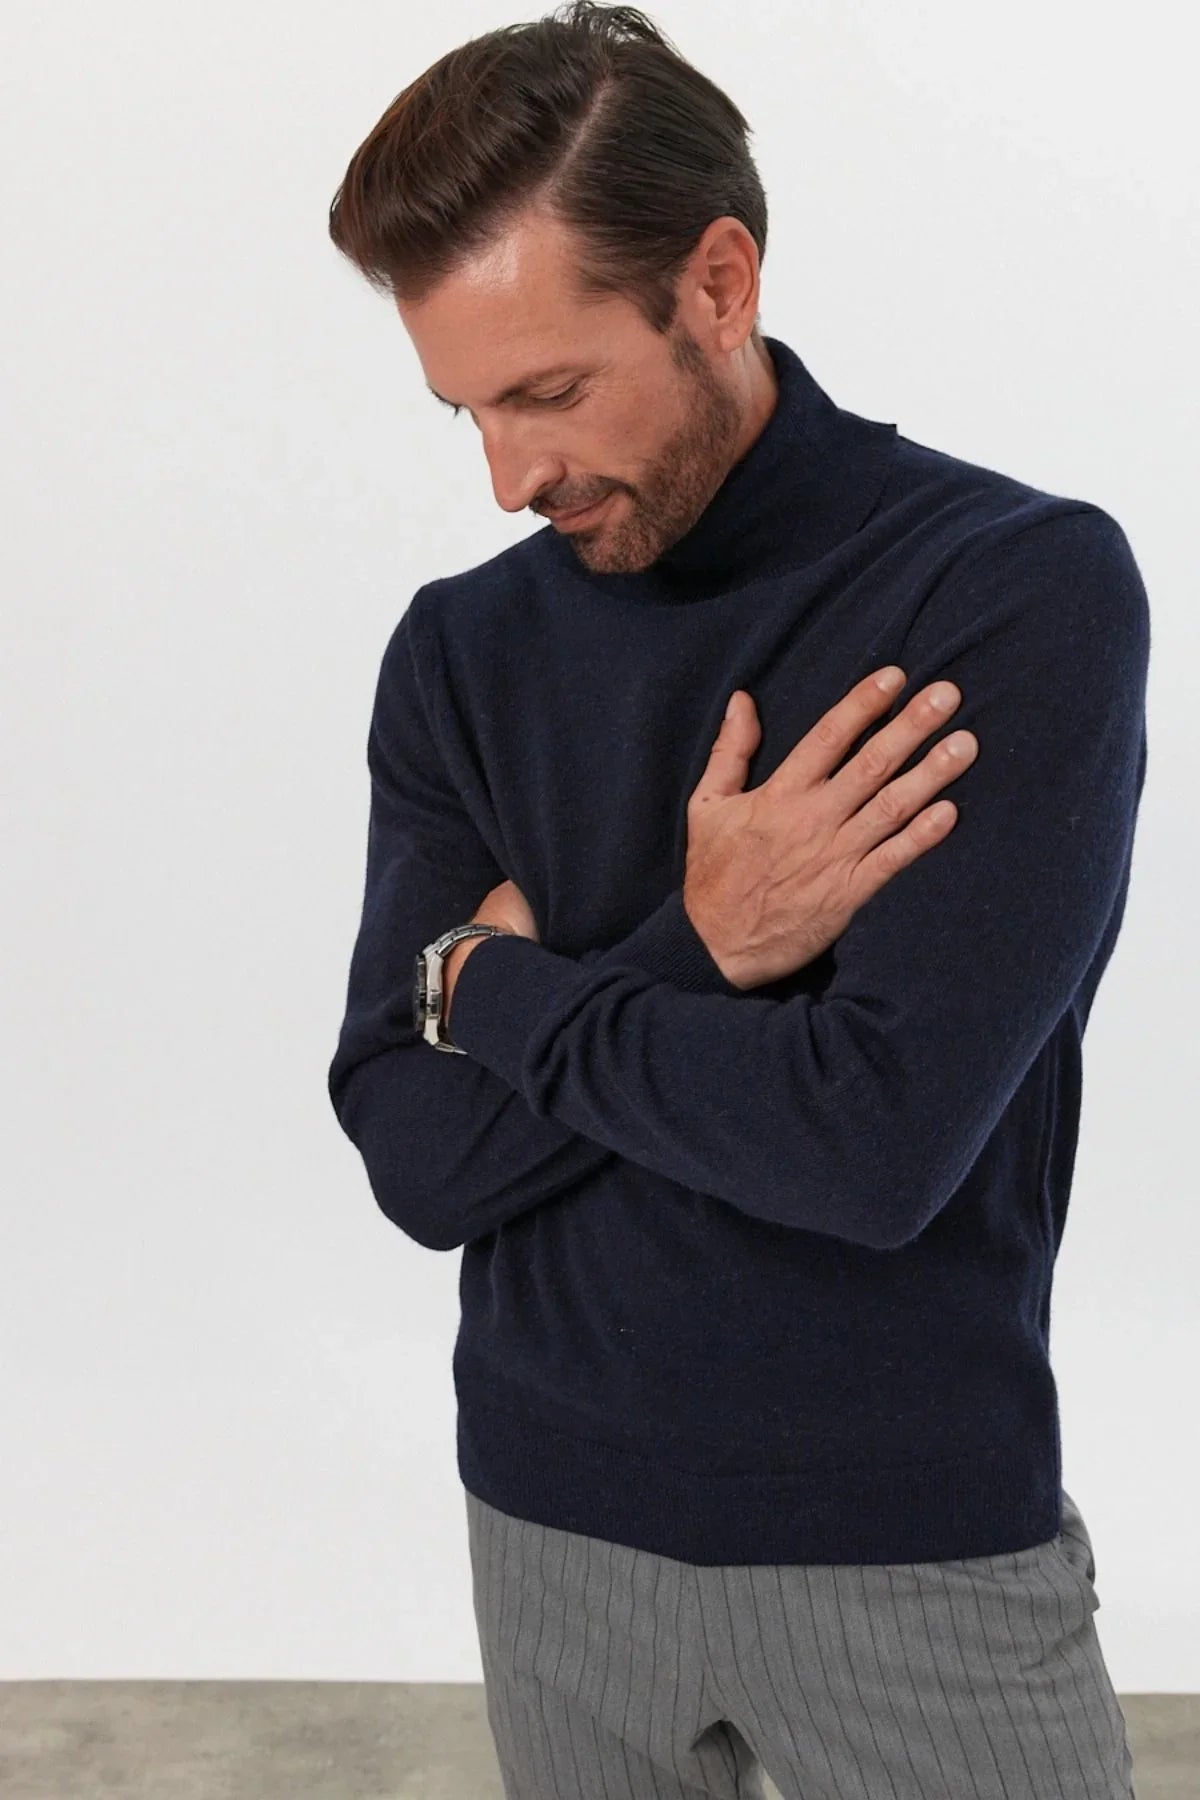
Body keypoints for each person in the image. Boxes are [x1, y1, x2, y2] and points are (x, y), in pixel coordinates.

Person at [325, 6, 1149, 1796]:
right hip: (546, 1530)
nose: (509, 478)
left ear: (717, 284)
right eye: (468, 411)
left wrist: (491, 990)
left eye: (550, 394)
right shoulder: (461, 650)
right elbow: (418, 1158)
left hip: (907, 1551)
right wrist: (700, 948)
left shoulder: (1010, 594)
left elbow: (871, 1146)